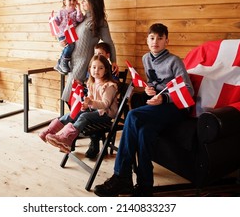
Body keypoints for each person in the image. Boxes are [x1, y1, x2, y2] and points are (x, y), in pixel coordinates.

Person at [93, 23, 194, 197]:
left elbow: (188, 90)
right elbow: (155, 83)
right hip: (157, 105)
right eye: (152, 38)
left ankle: (122, 176)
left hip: (176, 107)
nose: (156, 42)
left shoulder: (174, 61)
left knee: (133, 115)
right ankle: (145, 185)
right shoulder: (146, 58)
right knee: (144, 132)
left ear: (166, 41)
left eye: (160, 38)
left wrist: (164, 97)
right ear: (147, 40)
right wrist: (150, 89)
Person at [39, 54, 119, 153]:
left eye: (100, 68)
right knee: (73, 114)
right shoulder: (92, 82)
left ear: (106, 70)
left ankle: (66, 138)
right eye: (94, 67)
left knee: (84, 116)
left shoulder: (109, 86)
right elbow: (90, 97)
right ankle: (49, 131)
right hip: (95, 110)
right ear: (90, 69)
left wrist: (91, 102)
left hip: (106, 114)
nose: (96, 70)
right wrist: (86, 103)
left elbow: (105, 104)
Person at [60, 0, 119, 103]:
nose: (81, 2)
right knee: (71, 96)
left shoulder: (100, 22)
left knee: (71, 95)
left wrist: (114, 61)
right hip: (72, 61)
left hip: (83, 63)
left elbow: (109, 42)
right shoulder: (81, 19)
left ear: (93, 3)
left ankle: (75, 119)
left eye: (85, 0)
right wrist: (63, 42)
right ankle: (74, 119)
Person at [85, 42, 119, 159]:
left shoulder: (111, 73)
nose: (97, 56)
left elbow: (107, 98)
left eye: (101, 54)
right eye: (96, 54)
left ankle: (94, 142)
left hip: (105, 108)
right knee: (80, 113)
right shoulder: (94, 71)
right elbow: (91, 84)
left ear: (107, 56)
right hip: (94, 103)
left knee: (89, 117)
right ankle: (90, 141)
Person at [53, 0, 84, 74]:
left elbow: (80, 19)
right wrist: (54, 23)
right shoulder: (61, 11)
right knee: (70, 46)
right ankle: (63, 62)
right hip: (62, 34)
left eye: (74, 0)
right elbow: (56, 22)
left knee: (70, 46)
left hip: (70, 34)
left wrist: (79, 9)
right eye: (69, 0)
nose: (72, 2)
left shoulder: (76, 12)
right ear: (64, 2)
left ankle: (59, 63)